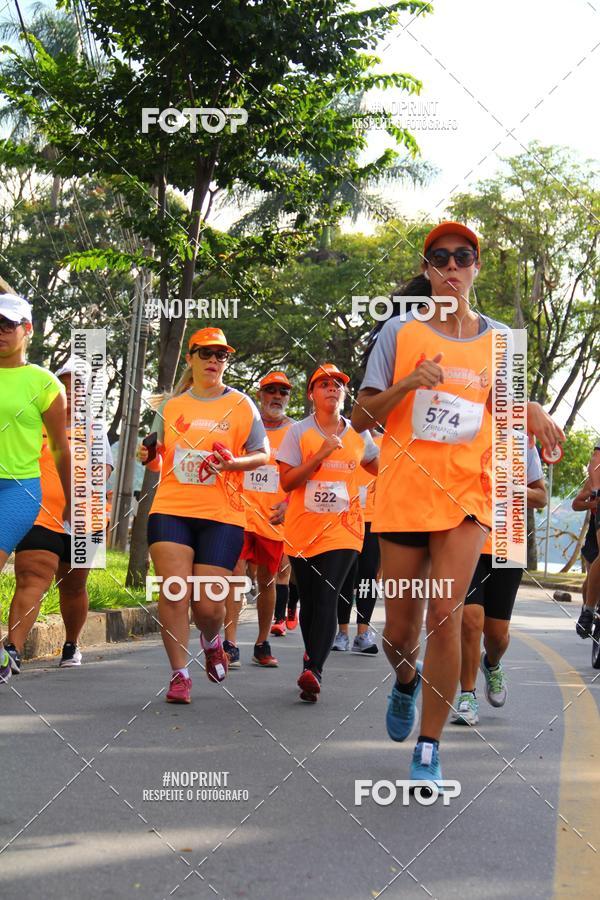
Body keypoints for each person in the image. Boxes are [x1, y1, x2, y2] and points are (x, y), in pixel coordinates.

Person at [352, 221, 565, 788]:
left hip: (468, 496)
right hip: (402, 495)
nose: (451, 266)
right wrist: (408, 385)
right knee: (400, 633)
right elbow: (362, 417)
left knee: (446, 617)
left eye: (462, 257)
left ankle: (429, 744)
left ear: (475, 268)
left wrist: (534, 409)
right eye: (439, 257)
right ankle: (404, 682)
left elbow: (510, 405)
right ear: (427, 269)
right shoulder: (399, 333)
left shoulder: (501, 342)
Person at [139, 327, 269, 704]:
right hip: (172, 509)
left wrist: (233, 463)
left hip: (222, 513)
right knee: (175, 592)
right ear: (190, 358)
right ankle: (180, 674)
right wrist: (147, 456)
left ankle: (212, 640)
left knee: (209, 605)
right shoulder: (171, 406)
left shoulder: (242, 404)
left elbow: (262, 454)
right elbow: (156, 458)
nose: (214, 361)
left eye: (222, 355)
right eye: (206, 354)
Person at [277, 363, 379, 702]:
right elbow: (288, 482)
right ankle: (311, 657)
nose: (332, 388)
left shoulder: (358, 434)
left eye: (338, 384)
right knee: (310, 599)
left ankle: (315, 669)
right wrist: (319, 456)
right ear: (312, 394)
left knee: (328, 592)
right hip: (303, 529)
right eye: (324, 384)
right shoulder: (299, 433)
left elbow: (382, 468)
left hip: (345, 530)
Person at [5, 358, 113, 672]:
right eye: (65, 384)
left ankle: (72, 644)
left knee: (73, 586)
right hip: (39, 512)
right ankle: (13, 649)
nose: (71, 392)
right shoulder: (35, 420)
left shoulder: (94, 428)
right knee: (31, 579)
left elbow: (103, 471)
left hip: (84, 519)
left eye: (78, 386)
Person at [452, 435, 547, 725]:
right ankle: (467, 695)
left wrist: (514, 488)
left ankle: (491, 663)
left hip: (507, 541)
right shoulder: (464, 427)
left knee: (496, 634)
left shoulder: (523, 443)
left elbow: (541, 496)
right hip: (467, 533)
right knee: (470, 619)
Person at [0, 295, 70, 684]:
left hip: (21, 491)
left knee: (35, 574)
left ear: (27, 330)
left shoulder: (43, 383)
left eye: (9, 325)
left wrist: (74, 503)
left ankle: (11, 647)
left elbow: (61, 448)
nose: (1, 332)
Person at [222, 371, 295, 667]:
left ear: (288, 397)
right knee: (235, 575)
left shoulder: (296, 432)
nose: (276, 396)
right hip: (239, 512)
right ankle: (230, 642)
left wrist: (289, 504)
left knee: (268, 580)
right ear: (260, 394)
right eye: (270, 391)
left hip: (273, 519)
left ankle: (262, 642)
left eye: (282, 391)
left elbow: (304, 476)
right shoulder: (245, 424)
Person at [332, 428, 382, 654]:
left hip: (373, 518)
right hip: (345, 514)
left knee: (368, 577)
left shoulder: (385, 441)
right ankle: (341, 632)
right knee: (345, 576)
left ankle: (363, 633)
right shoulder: (346, 435)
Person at [572, 478, 599, 638]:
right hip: (595, 531)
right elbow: (576, 504)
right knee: (591, 577)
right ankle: (587, 610)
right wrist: (593, 504)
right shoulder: (594, 481)